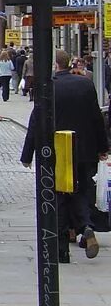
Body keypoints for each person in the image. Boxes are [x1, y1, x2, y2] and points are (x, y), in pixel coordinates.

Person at [21, 49, 106, 262]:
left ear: (54, 65)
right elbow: (96, 118)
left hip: (58, 152)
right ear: (69, 63)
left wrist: (27, 154)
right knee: (81, 191)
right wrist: (103, 147)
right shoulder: (85, 84)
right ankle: (85, 227)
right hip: (84, 151)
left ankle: (62, 248)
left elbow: (36, 122)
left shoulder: (49, 87)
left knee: (58, 197)